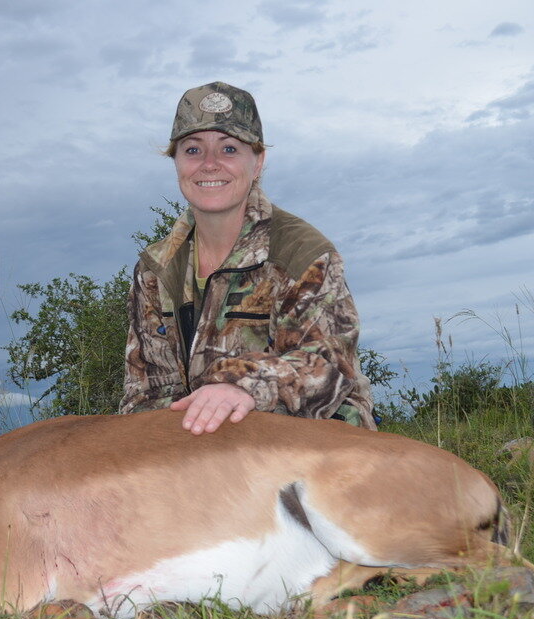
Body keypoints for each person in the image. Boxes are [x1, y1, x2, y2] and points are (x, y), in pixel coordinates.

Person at [120, 81, 376, 434]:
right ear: (176, 162)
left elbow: (328, 368)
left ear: (258, 162)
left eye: (228, 149)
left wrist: (239, 385)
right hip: (203, 445)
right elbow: (144, 394)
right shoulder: (155, 269)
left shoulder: (303, 253)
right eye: (193, 150)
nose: (209, 165)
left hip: (313, 442)